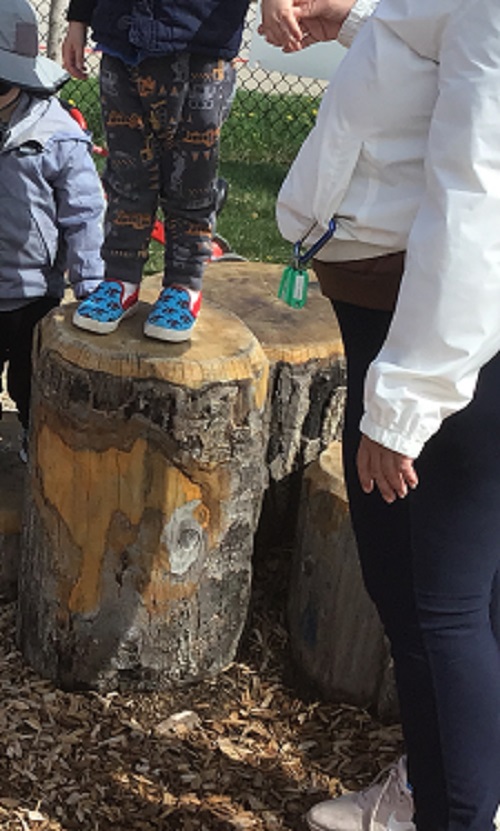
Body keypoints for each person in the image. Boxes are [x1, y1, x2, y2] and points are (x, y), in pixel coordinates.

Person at [260, 0, 500, 829]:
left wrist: (403, 404)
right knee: (458, 598)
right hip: (420, 319)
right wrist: (360, 20)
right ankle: (454, 789)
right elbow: (442, 56)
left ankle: (454, 809)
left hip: (436, 332)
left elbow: (480, 197)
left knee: (436, 606)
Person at [61, 0, 250, 342]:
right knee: (127, 175)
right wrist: (78, 20)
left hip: (199, 40)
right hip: (123, 40)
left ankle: (184, 285)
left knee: (191, 180)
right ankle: (120, 279)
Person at [0, 0, 104, 462]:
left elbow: (83, 215)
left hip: (31, 289)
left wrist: (91, 287)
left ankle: (30, 432)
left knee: (28, 378)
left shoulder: (57, 135)